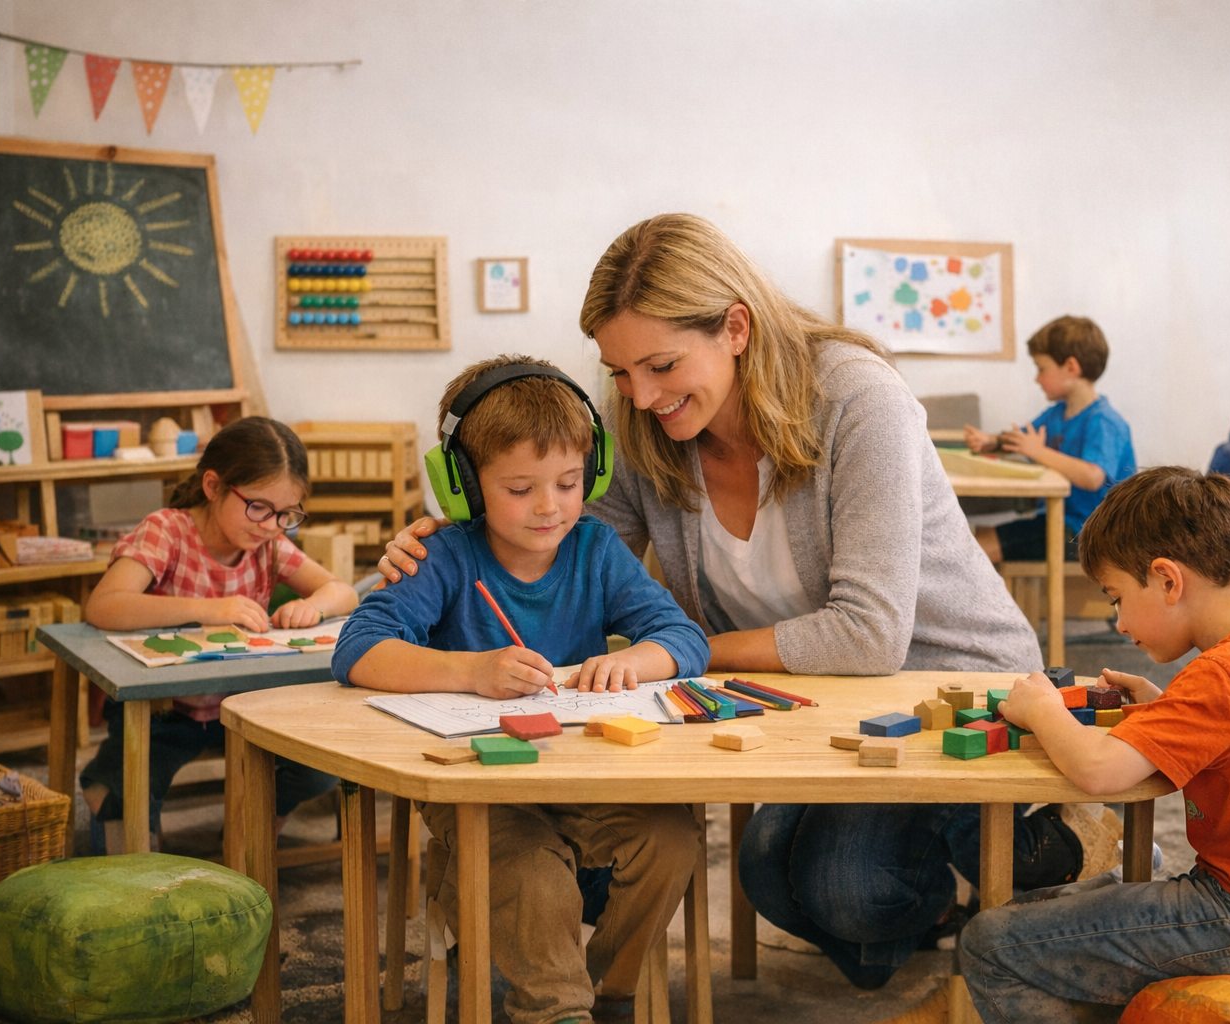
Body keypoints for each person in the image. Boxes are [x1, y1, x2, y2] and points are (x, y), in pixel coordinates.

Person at [379, 214, 1076, 989]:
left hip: (945, 686)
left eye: (661, 365)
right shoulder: (648, 424)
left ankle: (1022, 844)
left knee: (843, 886)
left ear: (735, 328)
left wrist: (683, 648)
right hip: (812, 699)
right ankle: (931, 902)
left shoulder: (857, 398)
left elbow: (870, 637)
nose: (640, 397)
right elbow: (559, 546)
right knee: (769, 873)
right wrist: (450, 541)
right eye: (619, 372)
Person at [335, 355, 708, 1024]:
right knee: (530, 872)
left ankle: (611, 991)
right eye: (519, 488)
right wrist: (469, 671)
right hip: (484, 792)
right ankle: (556, 1008)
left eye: (569, 483)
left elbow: (683, 639)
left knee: (673, 839)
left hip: (584, 778)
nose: (550, 507)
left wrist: (638, 661)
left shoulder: (596, 549)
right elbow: (357, 650)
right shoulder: (443, 556)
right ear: (464, 486)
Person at [960, 466, 1230, 1022]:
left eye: (1116, 598)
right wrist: (1165, 706)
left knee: (993, 944)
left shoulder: (1224, 676)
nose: (1118, 623)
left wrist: (1043, 709)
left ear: (1169, 581)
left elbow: (1098, 772)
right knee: (1075, 897)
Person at [81, 416, 359, 853]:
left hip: (241, 706)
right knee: (123, 788)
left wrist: (313, 605)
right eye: (260, 508)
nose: (271, 524)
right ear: (213, 486)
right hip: (164, 712)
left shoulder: (267, 544)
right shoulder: (167, 531)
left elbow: (341, 590)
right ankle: (128, 841)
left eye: (287, 514)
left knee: (317, 768)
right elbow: (104, 605)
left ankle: (252, 829)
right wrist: (208, 610)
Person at [965, 315, 1135, 564]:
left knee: (975, 550)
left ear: (1071, 367)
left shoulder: (1104, 421)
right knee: (976, 539)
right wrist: (992, 441)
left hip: (1092, 535)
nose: (1037, 378)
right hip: (1058, 520)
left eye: (1041, 369)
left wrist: (1038, 452)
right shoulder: (1057, 413)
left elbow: (1092, 476)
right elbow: (1023, 438)